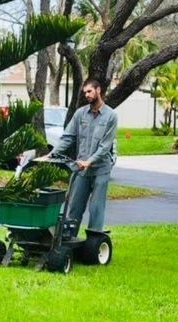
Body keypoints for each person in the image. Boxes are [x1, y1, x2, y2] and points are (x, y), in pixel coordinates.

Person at [42, 79, 118, 232]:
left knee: (96, 207)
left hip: (101, 169)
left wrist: (89, 161)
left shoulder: (111, 116)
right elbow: (67, 137)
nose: (87, 95)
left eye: (89, 91)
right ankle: (69, 239)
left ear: (98, 90)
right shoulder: (80, 114)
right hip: (81, 169)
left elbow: (105, 146)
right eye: (85, 92)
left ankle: (94, 242)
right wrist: (51, 155)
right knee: (74, 206)